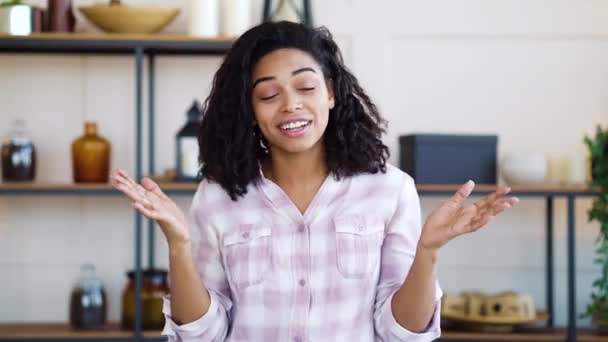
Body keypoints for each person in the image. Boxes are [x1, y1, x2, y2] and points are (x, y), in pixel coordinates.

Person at [111, 21, 518, 342]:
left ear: (331, 94)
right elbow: (203, 334)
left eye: (306, 87)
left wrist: (427, 251)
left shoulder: (389, 191)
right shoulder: (218, 197)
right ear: (250, 111)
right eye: (269, 95)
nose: (291, 104)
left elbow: (402, 334)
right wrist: (179, 246)